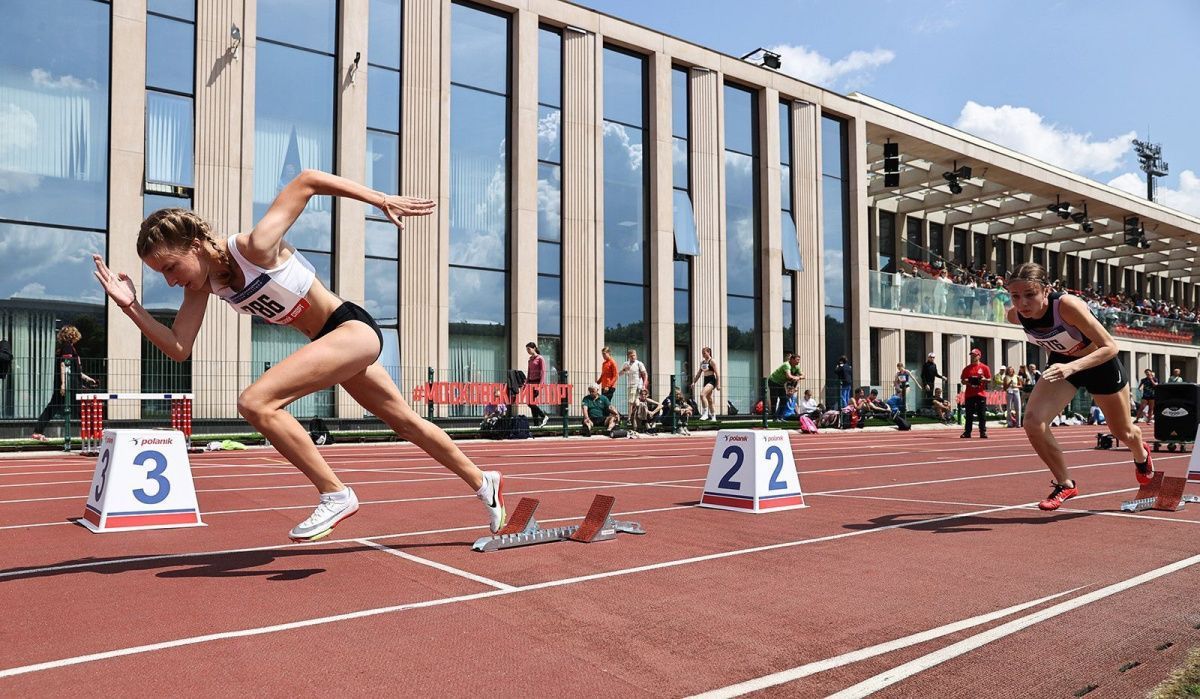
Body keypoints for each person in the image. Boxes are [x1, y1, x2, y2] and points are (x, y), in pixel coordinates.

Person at [92, 169, 507, 541]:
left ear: (196, 244)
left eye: (169, 267)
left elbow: (306, 181)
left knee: (255, 401)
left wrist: (380, 199)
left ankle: (335, 493)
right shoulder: (201, 287)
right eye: (160, 274)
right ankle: (483, 481)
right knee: (405, 421)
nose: (169, 281)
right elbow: (179, 349)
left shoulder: (254, 247)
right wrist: (131, 306)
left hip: (350, 328)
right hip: (331, 342)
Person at [1003, 262, 1152, 511]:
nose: (1023, 303)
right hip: (1062, 365)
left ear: (1046, 290)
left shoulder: (1068, 307)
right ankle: (1065, 483)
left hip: (1099, 364)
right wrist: (1067, 366)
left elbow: (1110, 346)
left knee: (1122, 431)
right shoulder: (1016, 315)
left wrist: (1073, 367)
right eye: (1015, 296)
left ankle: (1141, 453)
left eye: (1030, 295)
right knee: (1032, 422)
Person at [30, 325, 99, 442]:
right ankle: (93, 432)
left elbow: (76, 370)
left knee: (53, 407)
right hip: (69, 384)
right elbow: (64, 364)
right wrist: (63, 384)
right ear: (73, 335)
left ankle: (38, 431)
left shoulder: (68, 347)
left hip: (69, 382)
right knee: (79, 408)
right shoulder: (67, 347)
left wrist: (88, 379)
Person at [960, 348, 991, 439]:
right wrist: (968, 381)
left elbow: (989, 379)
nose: (973, 356)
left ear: (979, 356)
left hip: (980, 394)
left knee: (982, 414)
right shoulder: (967, 368)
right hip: (969, 394)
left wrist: (984, 380)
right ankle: (967, 432)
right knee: (969, 414)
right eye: (972, 355)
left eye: (975, 355)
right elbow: (962, 380)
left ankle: (983, 432)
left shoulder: (985, 367)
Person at [767, 353, 803, 420]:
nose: (798, 362)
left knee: (784, 399)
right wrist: (797, 377)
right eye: (797, 360)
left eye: (799, 360)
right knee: (774, 399)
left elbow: (803, 375)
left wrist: (798, 377)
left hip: (781, 383)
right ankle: (774, 417)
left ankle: (780, 417)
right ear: (792, 359)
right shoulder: (786, 365)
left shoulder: (796, 367)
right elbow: (788, 376)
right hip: (773, 381)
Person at [691, 346, 720, 421]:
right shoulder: (703, 362)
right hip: (705, 380)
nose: (703, 355)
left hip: (711, 380)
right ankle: (713, 416)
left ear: (709, 352)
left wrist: (718, 384)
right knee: (709, 399)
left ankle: (705, 414)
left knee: (702, 394)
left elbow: (717, 374)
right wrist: (694, 382)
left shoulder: (712, 361)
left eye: (704, 353)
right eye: (702, 353)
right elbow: (698, 374)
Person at [525, 341, 548, 428]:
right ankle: (536, 424)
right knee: (530, 403)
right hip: (530, 382)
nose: (528, 351)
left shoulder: (540, 358)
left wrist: (540, 385)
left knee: (531, 403)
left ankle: (543, 416)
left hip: (536, 383)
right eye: (526, 349)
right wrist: (526, 383)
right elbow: (528, 372)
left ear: (534, 348)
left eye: (529, 349)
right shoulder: (530, 360)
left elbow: (543, 372)